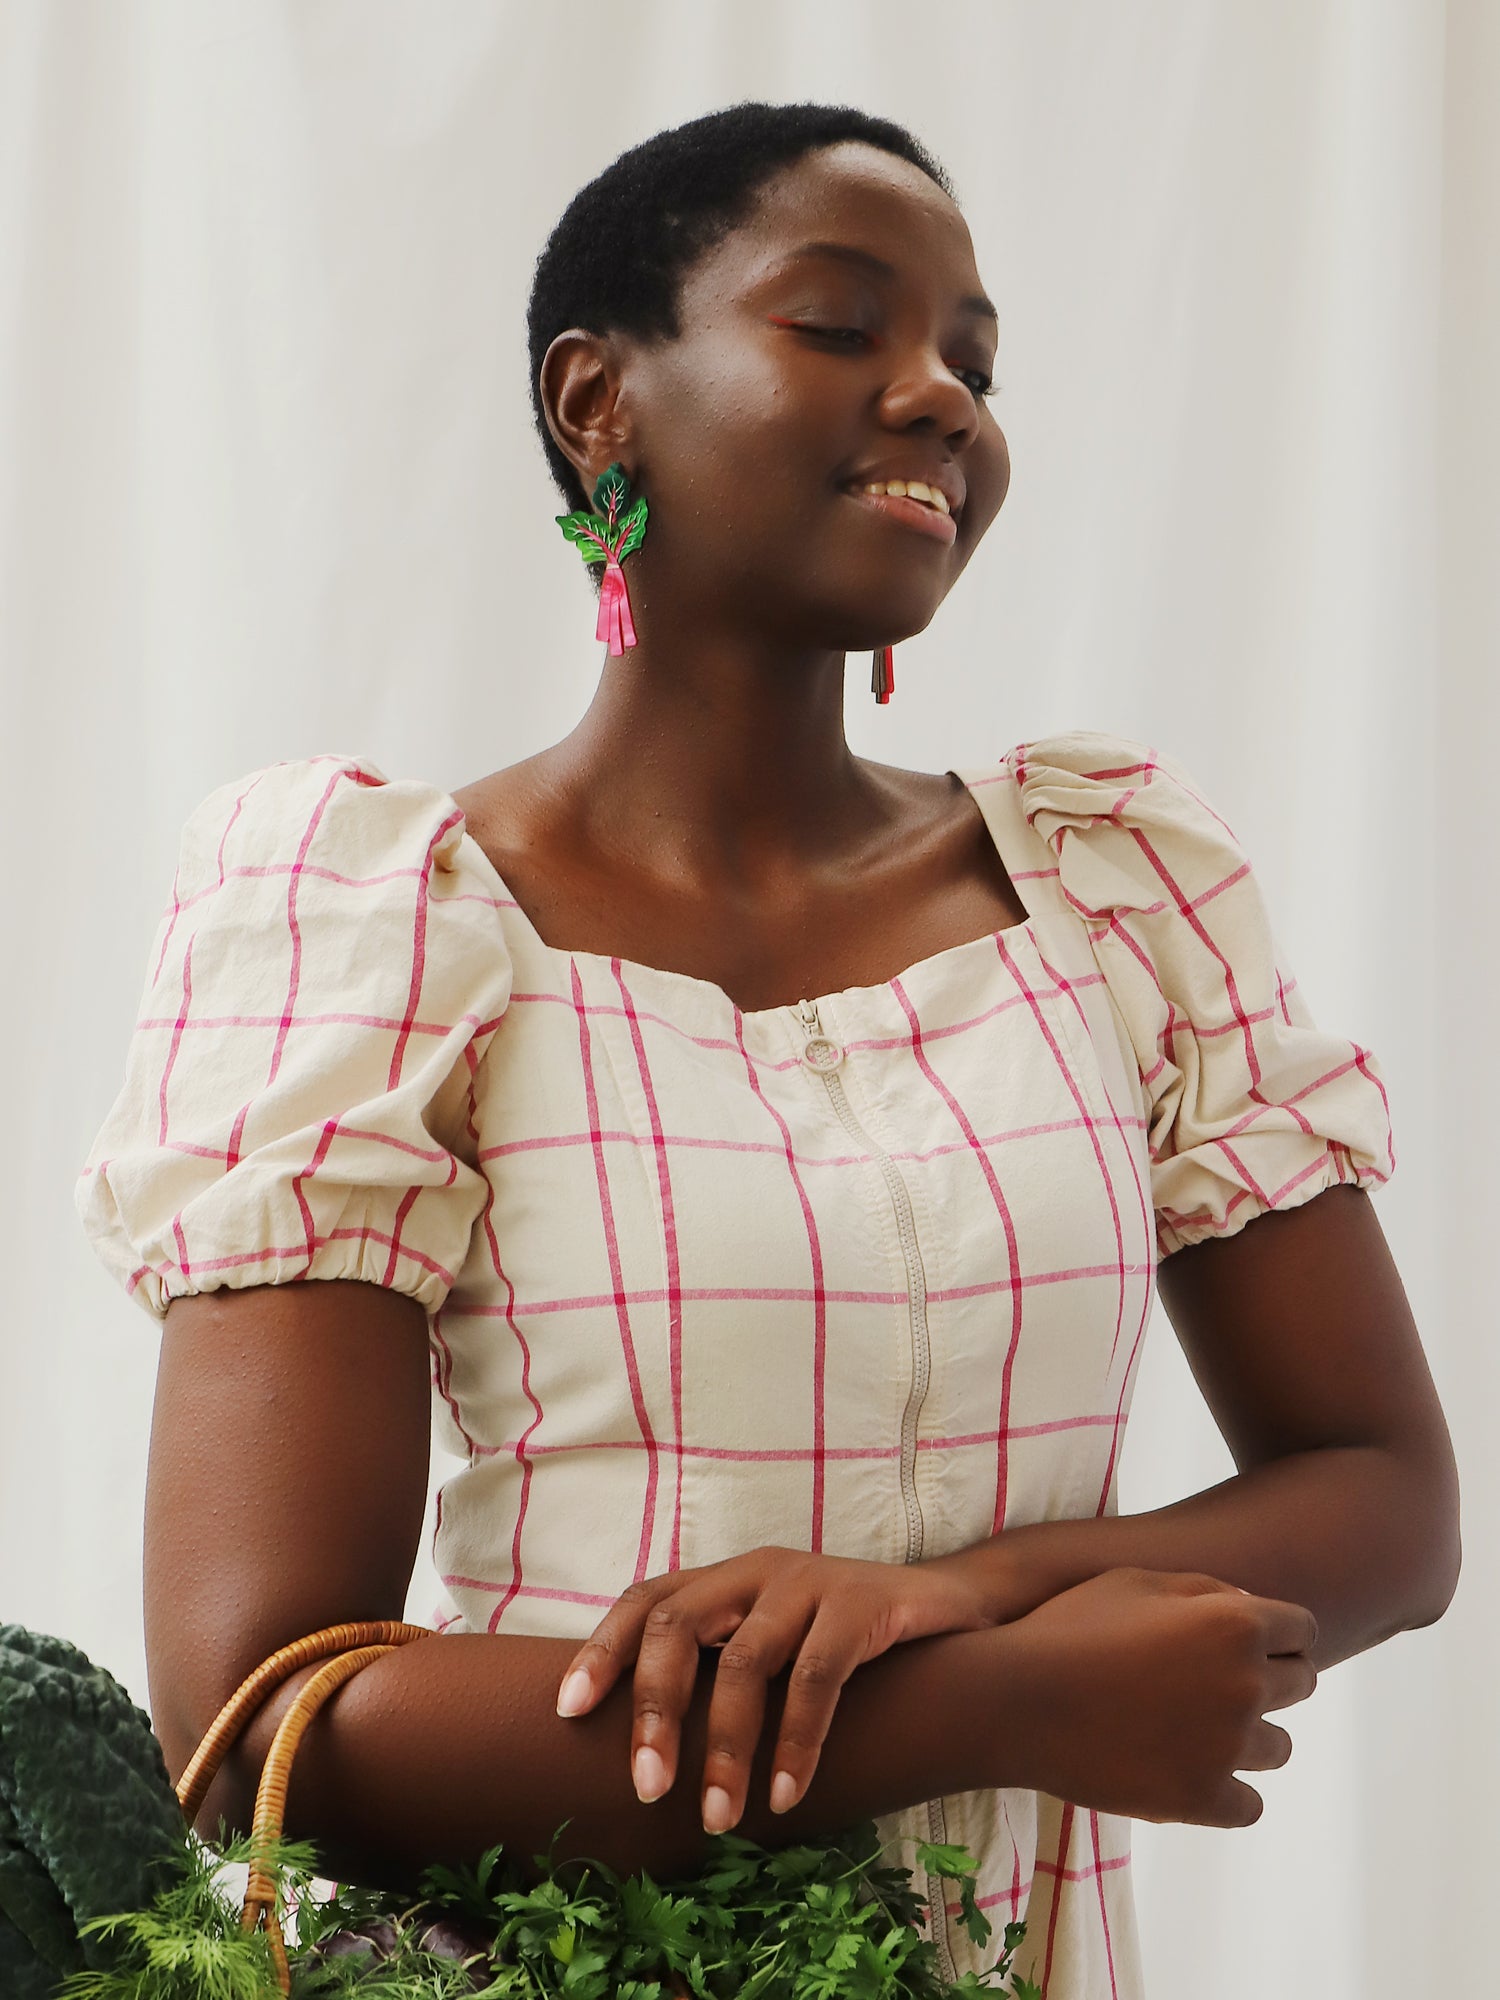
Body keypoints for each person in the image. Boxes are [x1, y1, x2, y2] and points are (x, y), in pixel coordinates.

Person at [75, 103, 1459, 1998]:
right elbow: (256, 1723)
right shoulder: (374, 922)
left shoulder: (1118, 884)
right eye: (840, 328)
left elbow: (1385, 1489)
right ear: (597, 402)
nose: (943, 400)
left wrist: (949, 1594)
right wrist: (978, 1702)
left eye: (974, 361)